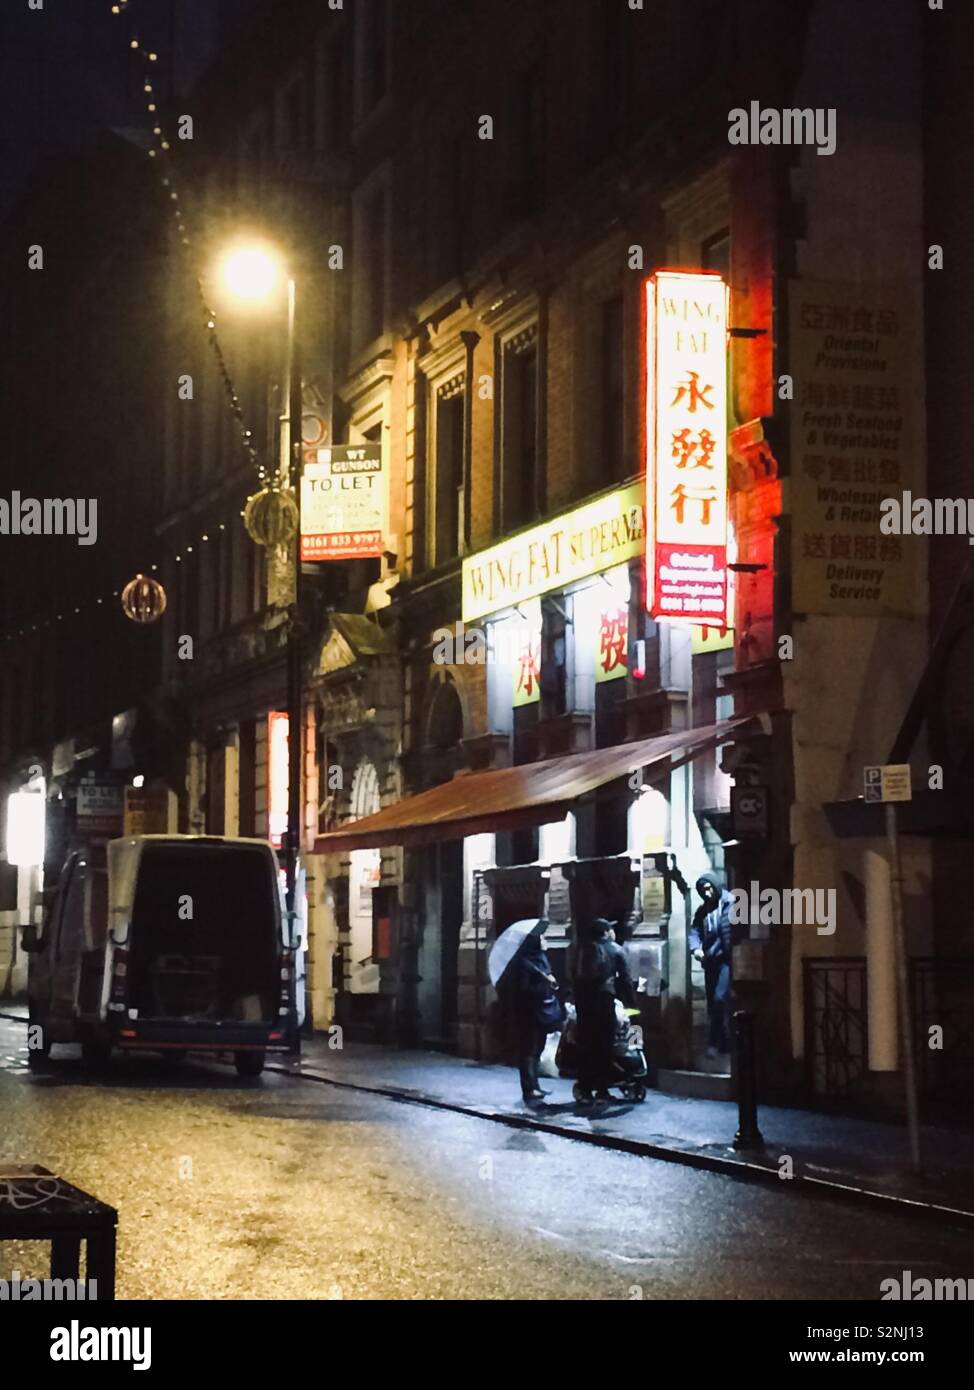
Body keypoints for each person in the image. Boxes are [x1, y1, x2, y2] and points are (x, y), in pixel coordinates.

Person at [571, 918, 636, 1104]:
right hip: (605, 1001)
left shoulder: (582, 949)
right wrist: (633, 1006)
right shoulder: (616, 950)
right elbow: (625, 981)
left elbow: (574, 976)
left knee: (587, 1045)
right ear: (607, 932)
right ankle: (602, 1089)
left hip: (585, 1003)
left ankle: (584, 1088)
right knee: (605, 1045)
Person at [689, 872, 738, 1058]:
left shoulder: (731, 903)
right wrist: (695, 949)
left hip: (726, 960)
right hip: (710, 961)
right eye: (704, 890)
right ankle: (724, 1042)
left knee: (719, 998)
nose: (707, 893)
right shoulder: (703, 910)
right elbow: (694, 930)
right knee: (713, 1003)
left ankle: (712, 1042)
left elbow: (733, 930)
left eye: (709, 889)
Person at [512, 923, 559, 1104]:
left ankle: (536, 1085)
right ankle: (528, 1088)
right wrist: (543, 985)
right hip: (529, 1012)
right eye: (542, 938)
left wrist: (550, 982)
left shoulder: (541, 958)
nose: (544, 940)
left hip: (542, 1011)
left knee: (538, 1048)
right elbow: (524, 989)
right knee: (528, 1050)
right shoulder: (524, 962)